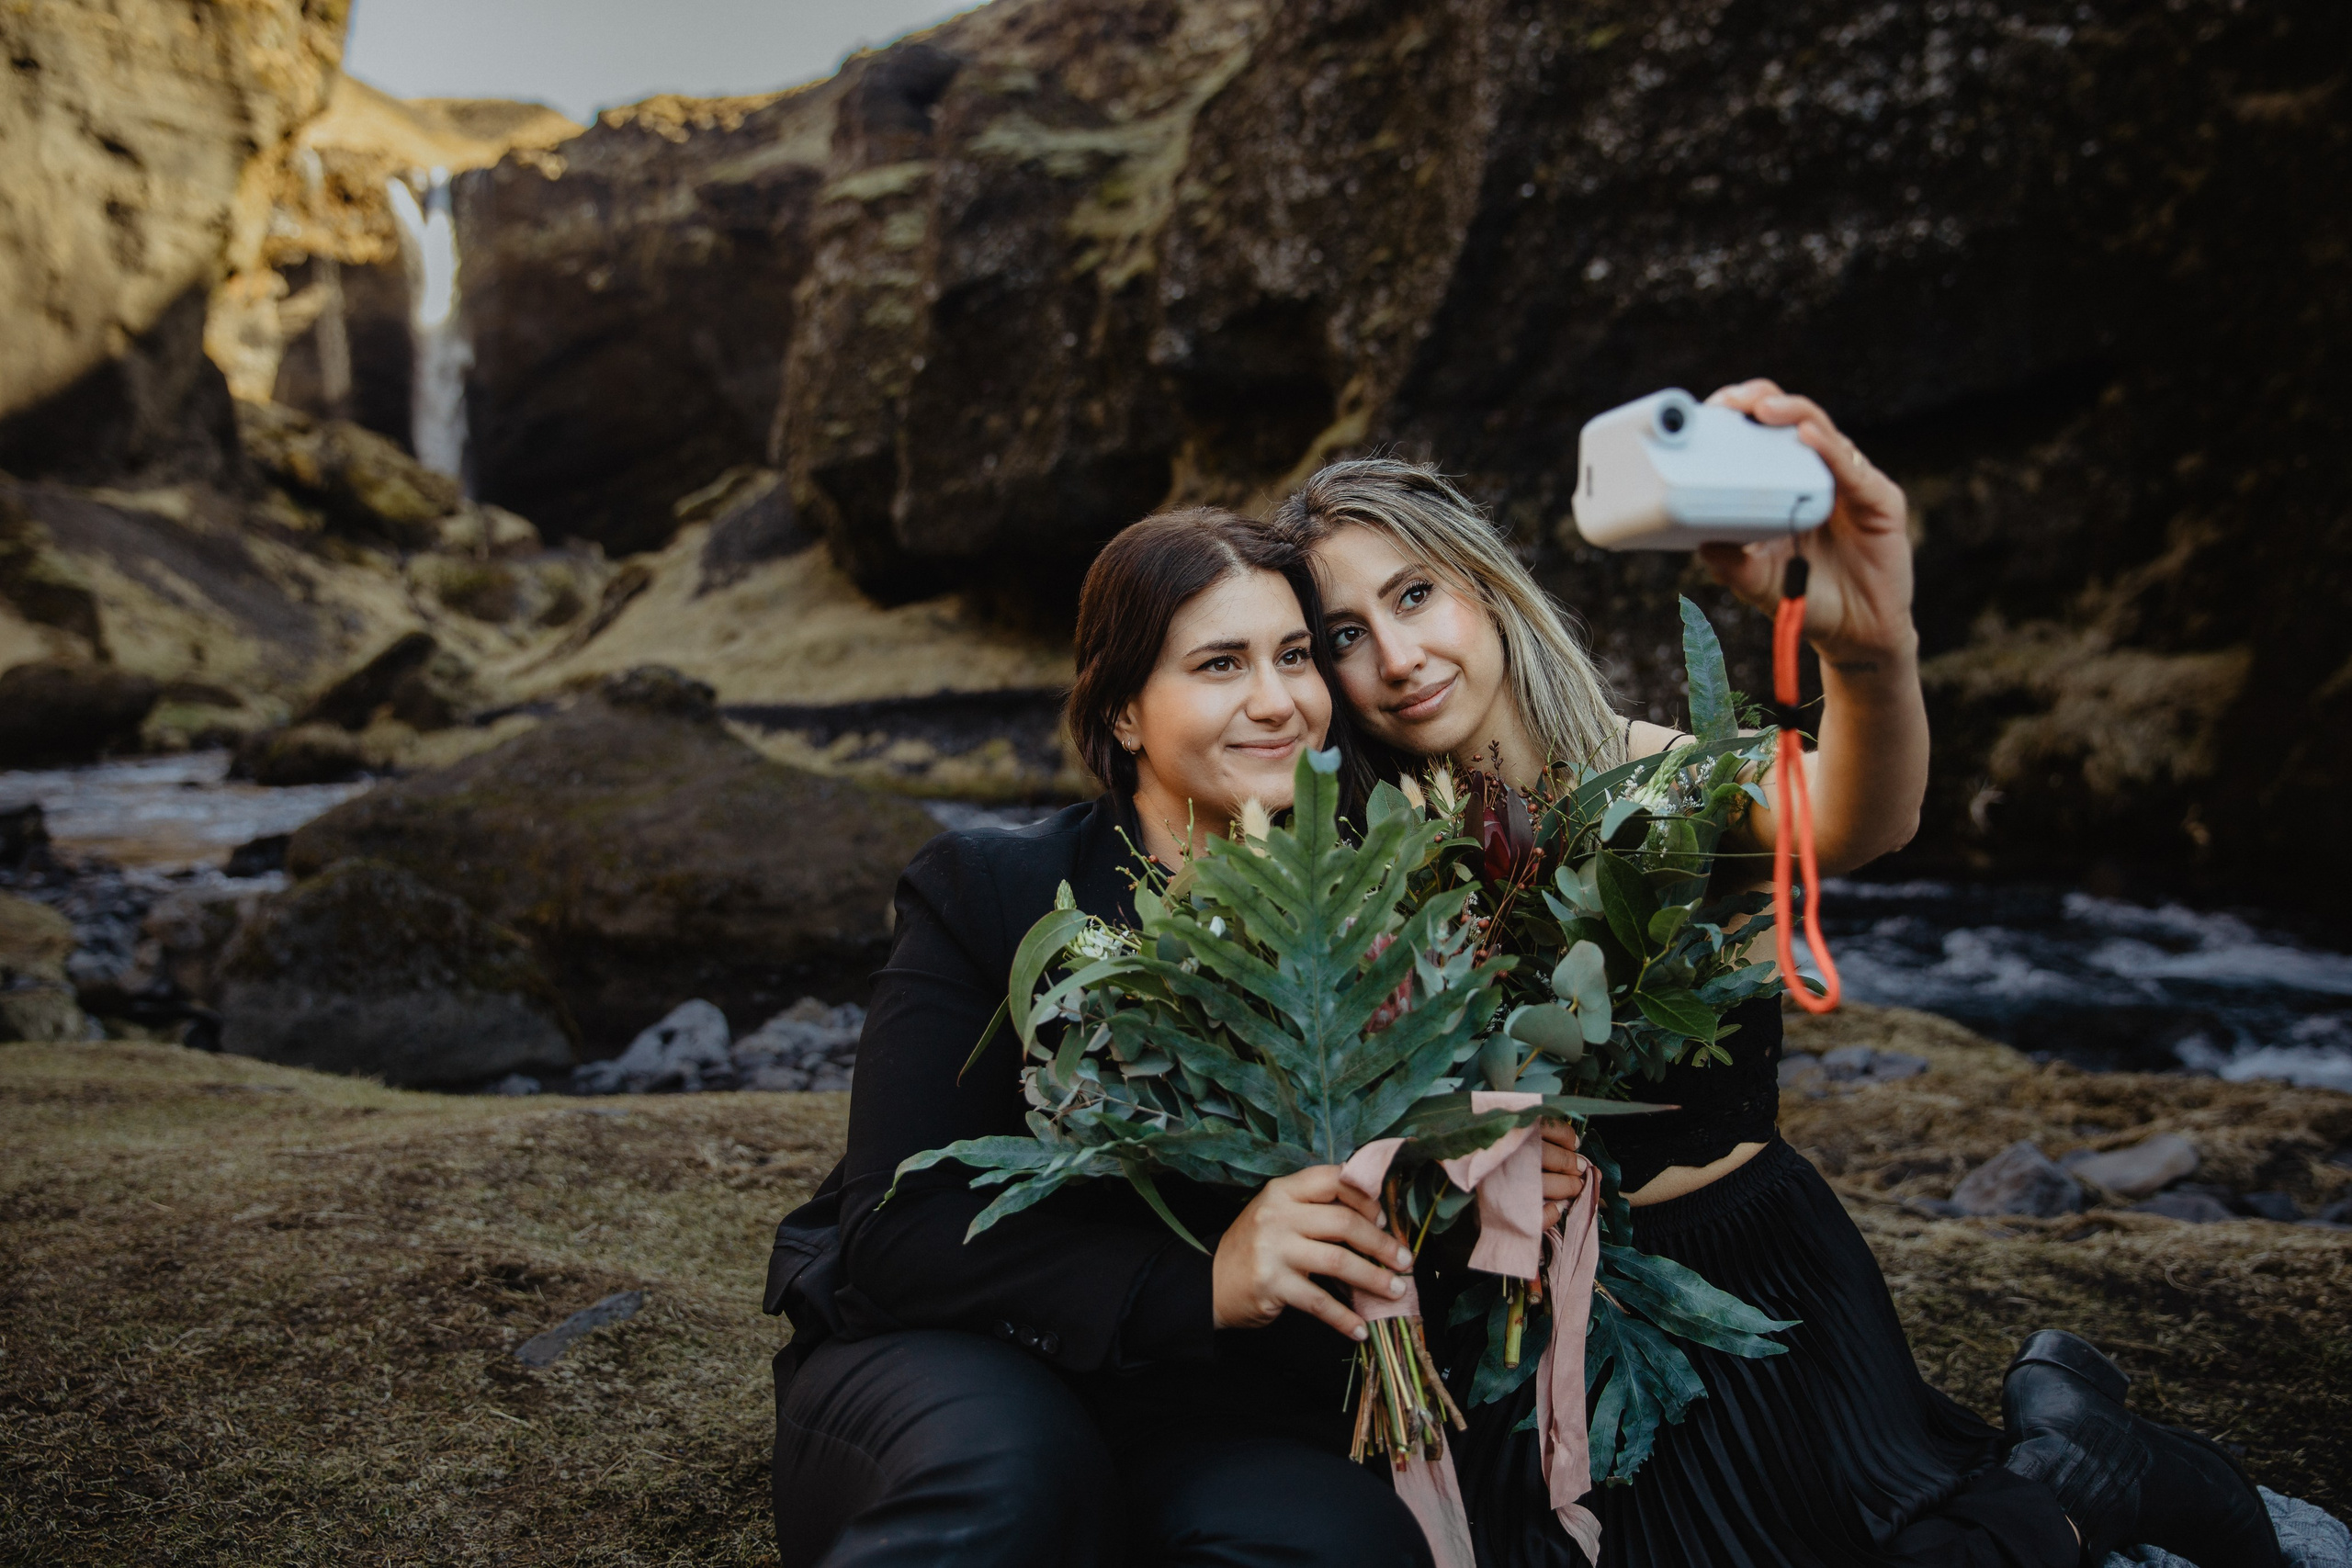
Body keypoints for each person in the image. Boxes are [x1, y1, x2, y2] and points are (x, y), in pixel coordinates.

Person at [1265, 379, 2285, 1568]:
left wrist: (1870, 644)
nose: (1395, 653)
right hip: (1528, 1322)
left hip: (1755, 1283)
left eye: (1413, 593)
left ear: (1484, 584)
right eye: (1343, 632)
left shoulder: (1676, 779)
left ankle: (2075, 1465)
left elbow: (1858, 816)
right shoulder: (1355, 859)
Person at [772, 507, 1572, 1567]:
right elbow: (896, 1232)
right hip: (961, 1360)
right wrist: (1201, 1283)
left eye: (1294, 656)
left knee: (1347, 1544)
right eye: (1218, 664)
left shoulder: (1393, 901)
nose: (1278, 701)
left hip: (1209, 1410)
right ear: (1124, 713)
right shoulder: (993, 892)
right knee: (1016, 1486)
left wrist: (1483, 1175)